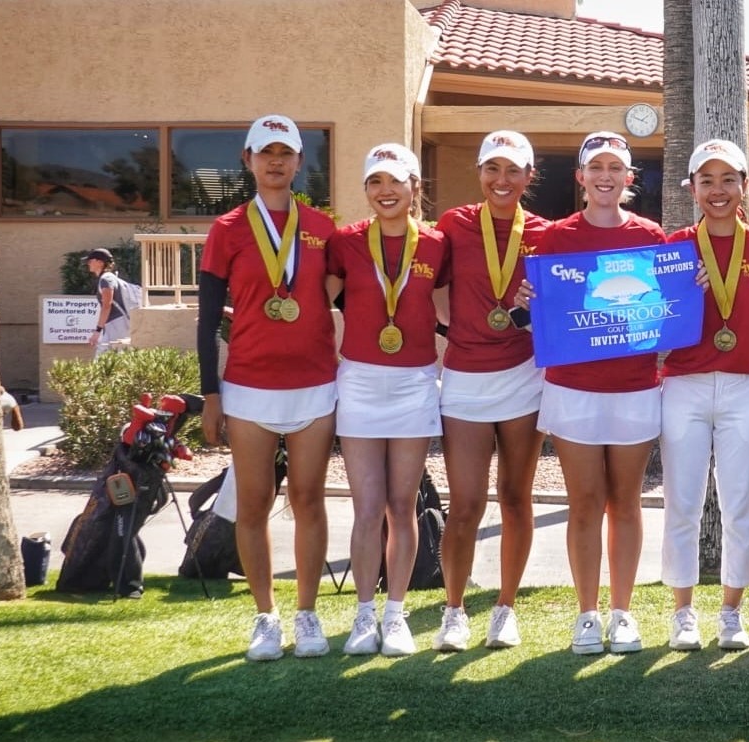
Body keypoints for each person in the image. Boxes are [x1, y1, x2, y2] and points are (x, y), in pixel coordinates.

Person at [515, 131, 666, 654]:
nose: (606, 176)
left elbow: (664, 309)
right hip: (573, 388)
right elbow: (539, 309)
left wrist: (684, 294)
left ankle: (622, 612)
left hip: (634, 386)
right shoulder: (554, 238)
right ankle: (586, 614)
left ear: (629, 179)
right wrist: (526, 295)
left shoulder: (653, 236)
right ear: (580, 178)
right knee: (584, 502)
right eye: (595, 167)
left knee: (625, 502)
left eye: (615, 167)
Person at [197, 114, 338, 662]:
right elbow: (207, 319)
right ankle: (265, 616)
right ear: (248, 160)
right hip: (249, 387)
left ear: (300, 162)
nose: (275, 162)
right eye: (265, 152)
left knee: (308, 500)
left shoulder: (323, 229)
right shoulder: (228, 229)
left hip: (314, 384)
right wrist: (211, 394)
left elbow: (357, 299)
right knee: (254, 503)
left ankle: (307, 614)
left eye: (286, 153)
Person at [430, 131, 549, 652]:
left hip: (523, 374)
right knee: (467, 503)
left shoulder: (545, 232)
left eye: (513, 170)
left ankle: (505, 608)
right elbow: (422, 281)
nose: (502, 180)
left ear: (528, 177)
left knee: (515, 497)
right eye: (492, 169)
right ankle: (453, 610)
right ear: (480, 173)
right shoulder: (453, 224)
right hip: (465, 377)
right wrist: (450, 328)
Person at [327, 143, 446, 657]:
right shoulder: (346, 242)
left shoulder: (438, 245)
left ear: (415, 187)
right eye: (375, 182)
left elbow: (449, 311)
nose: (385, 191)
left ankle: (395, 615)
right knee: (367, 507)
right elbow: (319, 301)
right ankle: (362, 615)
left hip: (415, 381)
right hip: (358, 381)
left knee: (403, 507)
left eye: (395, 181)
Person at [660, 139, 749, 651]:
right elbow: (650, 321)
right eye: (707, 180)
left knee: (738, 503)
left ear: (744, 186)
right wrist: (683, 293)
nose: (718, 190)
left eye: (729, 179)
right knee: (682, 501)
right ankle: (683, 612)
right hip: (683, 384)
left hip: (743, 385)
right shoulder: (674, 247)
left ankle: (731, 612)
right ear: (693, 189)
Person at [84, 248, 130, 356]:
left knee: (104, 359)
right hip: (115, 324)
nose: (88, 263)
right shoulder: (107, 278)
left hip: (116, 324)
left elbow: (106, 306)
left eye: (91, 260)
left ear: (100, 262)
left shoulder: (106, 279)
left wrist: (97, 331)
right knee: (113, 358)